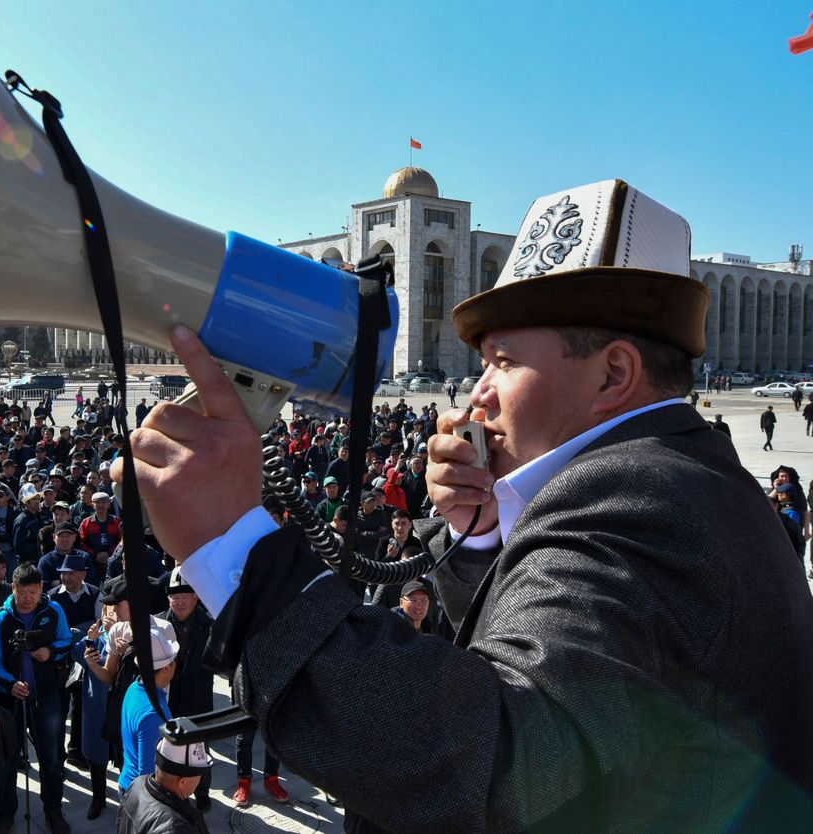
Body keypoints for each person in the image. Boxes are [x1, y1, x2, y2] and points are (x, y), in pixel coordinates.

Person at [126, 182, 813, 830]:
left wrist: (234, 547)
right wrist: (481, 539)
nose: (477, 394)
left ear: (613, 374)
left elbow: (495, 768)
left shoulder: (638, 505)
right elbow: (570, 690)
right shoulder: (688, 474)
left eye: (502, 362)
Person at [0, 563, 74, 834]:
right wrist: (10, 685)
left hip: (47, 696)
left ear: (41, 588)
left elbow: (67, 641)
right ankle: (6, 814)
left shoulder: (53, 610)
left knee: (51, 758)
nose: (27, 598)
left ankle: (53, 810)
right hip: (9, 703)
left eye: (33, 592)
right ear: (13, 588)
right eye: (22, 592)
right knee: (7, 761)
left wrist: (50, 651)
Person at [159, 567, 214, 811]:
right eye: (175, 596)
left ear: (196, 597)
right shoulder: (158, 624)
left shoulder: (210, 625)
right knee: (168, 747)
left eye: (185, 596)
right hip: (168, 698)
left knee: (199, 749)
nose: (180, 602)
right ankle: (170, 791)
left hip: (198, 698)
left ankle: (202, 792)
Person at [118, 618, 178, 796]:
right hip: (142, 796)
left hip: (128, 785)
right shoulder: (153, 715)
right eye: (173, 661)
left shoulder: (134, 687)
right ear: (166, 667)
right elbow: (148, 774)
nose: (176, 664)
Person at [116, 738, 213, 834]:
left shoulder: (137, 783)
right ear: (183, 782)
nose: (200, 779)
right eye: (200, 774)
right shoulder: (175, 829)